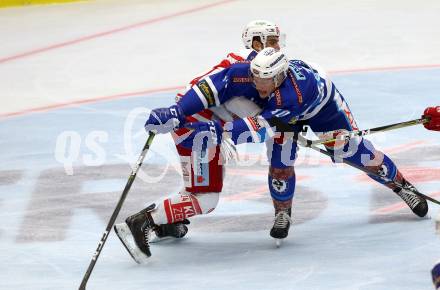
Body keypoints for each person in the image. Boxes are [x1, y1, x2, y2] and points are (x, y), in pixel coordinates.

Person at [114, 43, 439, 262]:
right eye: (255, 76)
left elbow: (260, 127)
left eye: (265, 79)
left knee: (359, 153)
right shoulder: (251, 74)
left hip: (322, 111)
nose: (258, 83)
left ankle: (403, 187)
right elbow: (209, 87)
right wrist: (176, 111)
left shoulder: (295, 93)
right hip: (275, 116)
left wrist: (217, 130)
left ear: (280, 76)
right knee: (281, 163)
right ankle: (282, 212)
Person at [113, 20, 285, 262]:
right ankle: (142, 222)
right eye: (273, 40)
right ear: (257, 43)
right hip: (197, 125)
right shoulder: (248, 65)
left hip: (201, 123)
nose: (279, 46)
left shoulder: (259, 65)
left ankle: (166, 224)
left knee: (197, 188)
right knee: (206, 197)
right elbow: (211, 90)